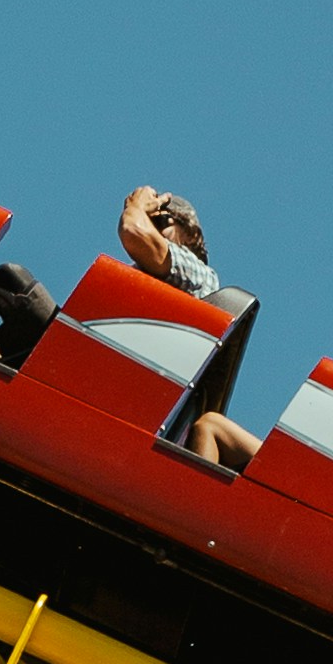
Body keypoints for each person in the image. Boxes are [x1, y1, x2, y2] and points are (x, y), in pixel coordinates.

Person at [117, 186, 258, 470]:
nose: (153, 228)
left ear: (191, 235)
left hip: (149, 398)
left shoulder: (194, 272)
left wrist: (138, 207)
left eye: (162, 223)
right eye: (150, 221)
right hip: (120, 380)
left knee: (13, 286)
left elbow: (133, 230)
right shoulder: (135, 280)